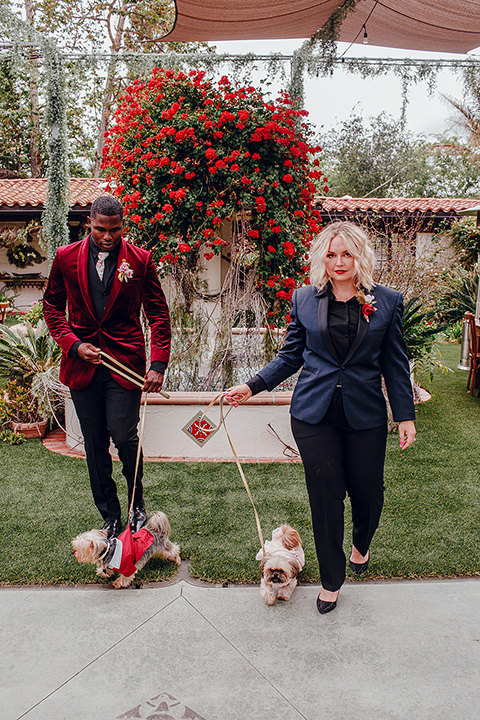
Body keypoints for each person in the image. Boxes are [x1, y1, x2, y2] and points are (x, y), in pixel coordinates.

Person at [225, 221, 416, 614]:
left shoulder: (388, 301)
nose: (339, 262)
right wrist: (252, 385)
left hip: (365, 414)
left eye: (347, 254)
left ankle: (361, 544)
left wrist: (405, 415)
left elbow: (395, 365)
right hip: (314, 414)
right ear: (321, 258)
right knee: (326, 495)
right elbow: (291, 355)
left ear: (361, 256)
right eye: (331, 254)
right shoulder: (305, 299)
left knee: (368, 492)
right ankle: (331, 580)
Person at [43, 196, 171, 538]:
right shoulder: (65, 258)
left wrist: (157, 363)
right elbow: (52, 309)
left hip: (125, 362)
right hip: (81, 367)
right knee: (94, 442)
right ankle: (110, 516)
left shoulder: (140, 260)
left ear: (122, 225)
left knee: (125, 436)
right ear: (90, 222)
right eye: (101, 229)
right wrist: (74, 344)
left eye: (115, 230)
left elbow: (157, 314)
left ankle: (136, 506)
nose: (108, 236)